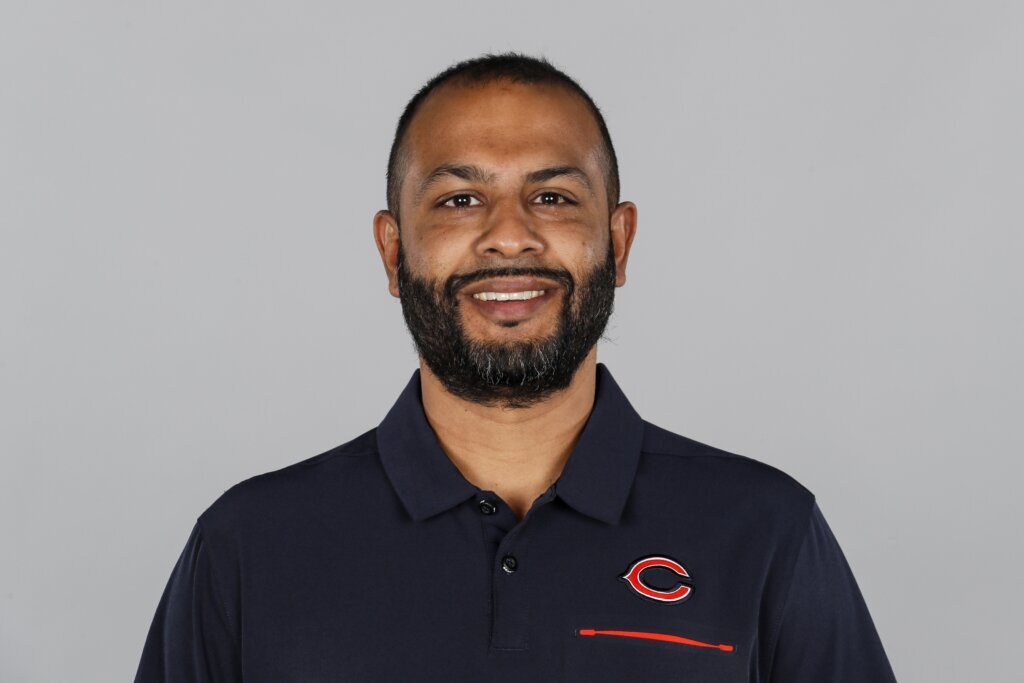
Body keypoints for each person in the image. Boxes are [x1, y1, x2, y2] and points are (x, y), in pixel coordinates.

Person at [135, 52, 897, 682]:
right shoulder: (248, 548)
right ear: (393, 251)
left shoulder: (767, 533)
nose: (509, 235)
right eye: (460, 199)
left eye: (554, 196)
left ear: (619, 242)